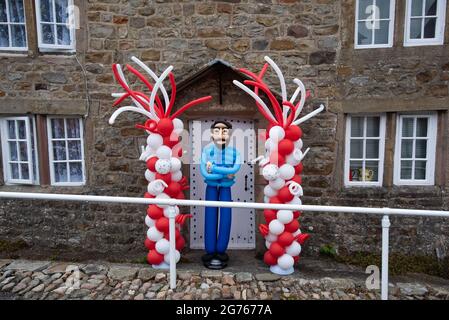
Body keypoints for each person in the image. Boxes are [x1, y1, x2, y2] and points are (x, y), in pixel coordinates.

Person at [199, 120, 241, 269]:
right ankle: (210, 251)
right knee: (210, 215)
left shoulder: (235, 152)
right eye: (217, 130)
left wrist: (215, 169)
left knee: (226, 217)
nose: (221, 133)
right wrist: (224, 173)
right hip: (211, 187)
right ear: (212, 133)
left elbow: (234, 170)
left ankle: (221, 250)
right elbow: (205, 173)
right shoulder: (206, 151)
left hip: (225, 188)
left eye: (224, 131)